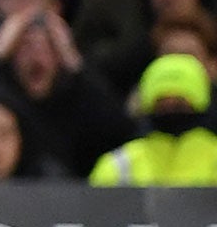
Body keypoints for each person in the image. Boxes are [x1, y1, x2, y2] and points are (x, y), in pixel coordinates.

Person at [89, 54, 217, 186]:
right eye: (162, 104)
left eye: (180, 104)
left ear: (201, 104)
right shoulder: (117, 165)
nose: (171, 110)